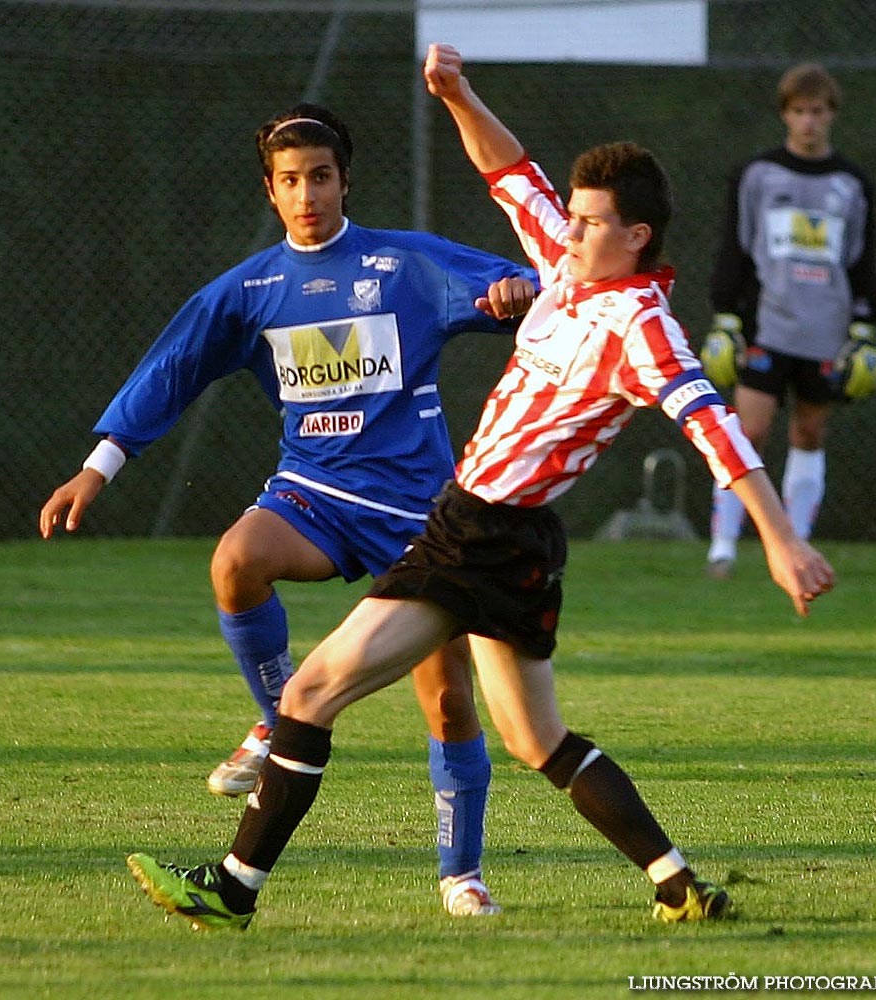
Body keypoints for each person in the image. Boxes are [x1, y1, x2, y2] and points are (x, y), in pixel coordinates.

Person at [124, 44, 835, 932]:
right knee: (539, 740)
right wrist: (460, 96)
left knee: (307, 698)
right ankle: (677, 884)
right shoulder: (571, 263)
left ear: (636, 237)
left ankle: (232, 889)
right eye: (569, 218)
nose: (565, 233)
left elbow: (714, 427)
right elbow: (511, 172)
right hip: (509, 537)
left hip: (482, 537)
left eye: (587, 223)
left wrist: (778, 537)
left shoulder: (642, 327)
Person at [39, 101, 540, 916]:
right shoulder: (252, 290)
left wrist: (514, 295)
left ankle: (462, 874)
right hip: (313, 493)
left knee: (448, 698)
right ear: (270, 192)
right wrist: (98, 468)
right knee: (237, 560)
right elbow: (171, 370)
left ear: (345, 182)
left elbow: (530, 291)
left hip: (418, 517)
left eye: (320, 177)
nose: (306, 193)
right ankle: (277, 721)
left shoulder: (406, 266)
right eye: (289, 180)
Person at [700, 62, 876, 578]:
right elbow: (734, 248)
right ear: (785, 114)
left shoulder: (851, 183)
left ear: (832, 115)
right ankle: (723, 547)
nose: (809, 121)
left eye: (818, 111)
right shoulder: (758, 174)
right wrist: (726, 315)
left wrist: (865, 326)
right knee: (746, 432)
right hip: (765, 323)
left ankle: (795, 546)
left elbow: (863, 258)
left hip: (826, 326)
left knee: (808, 433)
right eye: (799, 111)